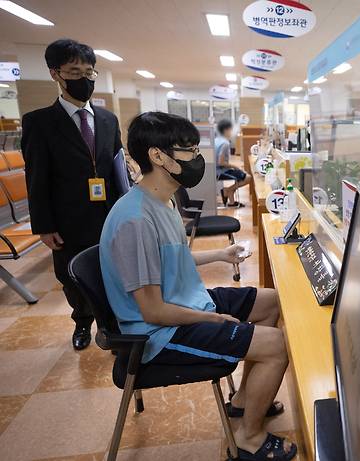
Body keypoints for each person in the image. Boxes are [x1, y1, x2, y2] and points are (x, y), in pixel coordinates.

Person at [100, 111, 296, 460]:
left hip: (185, 304)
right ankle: (249, 440)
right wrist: (214, 320)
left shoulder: (163, 200)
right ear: (158, 156)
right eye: (189, 151)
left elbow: (167, 262)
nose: (197, 158)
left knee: (271, 302)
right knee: (277, 344)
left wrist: (221, 254)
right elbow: (152, 310)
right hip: (157, 334)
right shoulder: (134, 219)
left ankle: (241, 401)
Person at [22, 39, 127, 350]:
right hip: (67, 217)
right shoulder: (39, 122)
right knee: (72, 276)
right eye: (74, 72)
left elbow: (118, 166)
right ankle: (82, 321)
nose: (84, 79)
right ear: (56, 74)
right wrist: (43, 225)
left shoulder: (107, 120)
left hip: (109, 213)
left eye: (89, 72)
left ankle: (115, 326)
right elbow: (36, 177)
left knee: (113, 272)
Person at [215, 119, 251, 207]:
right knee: (248, 177)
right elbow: (221, 162)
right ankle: (228, 190)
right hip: (221, 171)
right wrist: (235, 167)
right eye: (231, 129)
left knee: (239, 175)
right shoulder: (225, 143)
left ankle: (231, 202)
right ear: (226, 130)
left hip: (214, 170)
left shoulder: (216, 140)